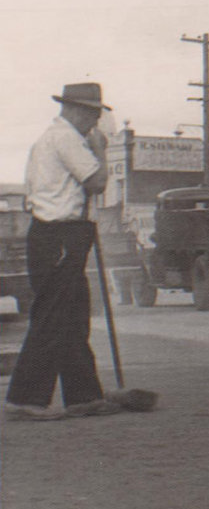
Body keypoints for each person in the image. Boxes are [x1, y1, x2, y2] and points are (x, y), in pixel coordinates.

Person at [4, 83, 122, 421]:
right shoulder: (67, 138)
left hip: (56, 233)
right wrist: (100, 150)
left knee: (72, 315)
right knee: (53, 317)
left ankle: (84, 396)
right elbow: (97, 182)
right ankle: (25, 399)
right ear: (76, 109)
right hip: (60, 235)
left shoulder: (51, 138)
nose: (96, 121)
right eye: (93, 113)